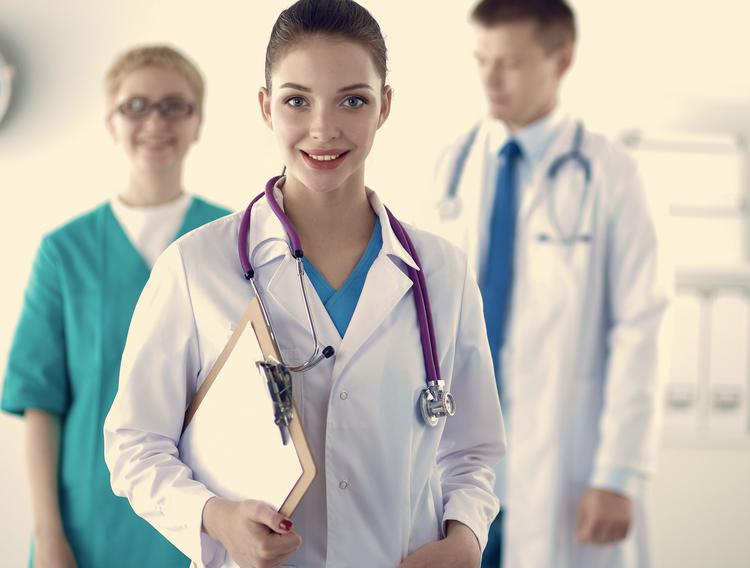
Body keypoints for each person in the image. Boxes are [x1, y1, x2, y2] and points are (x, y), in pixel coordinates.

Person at [103, 1, 506, 567]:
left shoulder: (441, 273)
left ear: (384, 107)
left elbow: (474, 452)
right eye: (297, 100)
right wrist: (215, 517)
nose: (324, 128)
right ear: (266, 108)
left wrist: (465, 539)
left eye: (353, 100)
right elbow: (134, 445)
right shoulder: (196, 267)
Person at [429, 1, 671, 566]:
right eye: (481, 59)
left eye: (509, 62)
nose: (489, 78)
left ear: (561, 58)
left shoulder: (611, 175)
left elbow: (642, 328)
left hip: (564, 459)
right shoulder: (451, 167)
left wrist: (619, 472)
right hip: (459, 458)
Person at [0, 45, 230, 567]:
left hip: (205, 517)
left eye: (175, 105)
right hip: (89, 522)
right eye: (135, 105)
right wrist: (48, 534)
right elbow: (42, 405)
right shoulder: (64, 251)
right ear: (110, 121)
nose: (155, 121)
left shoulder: (235, 241)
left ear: (198, 122)